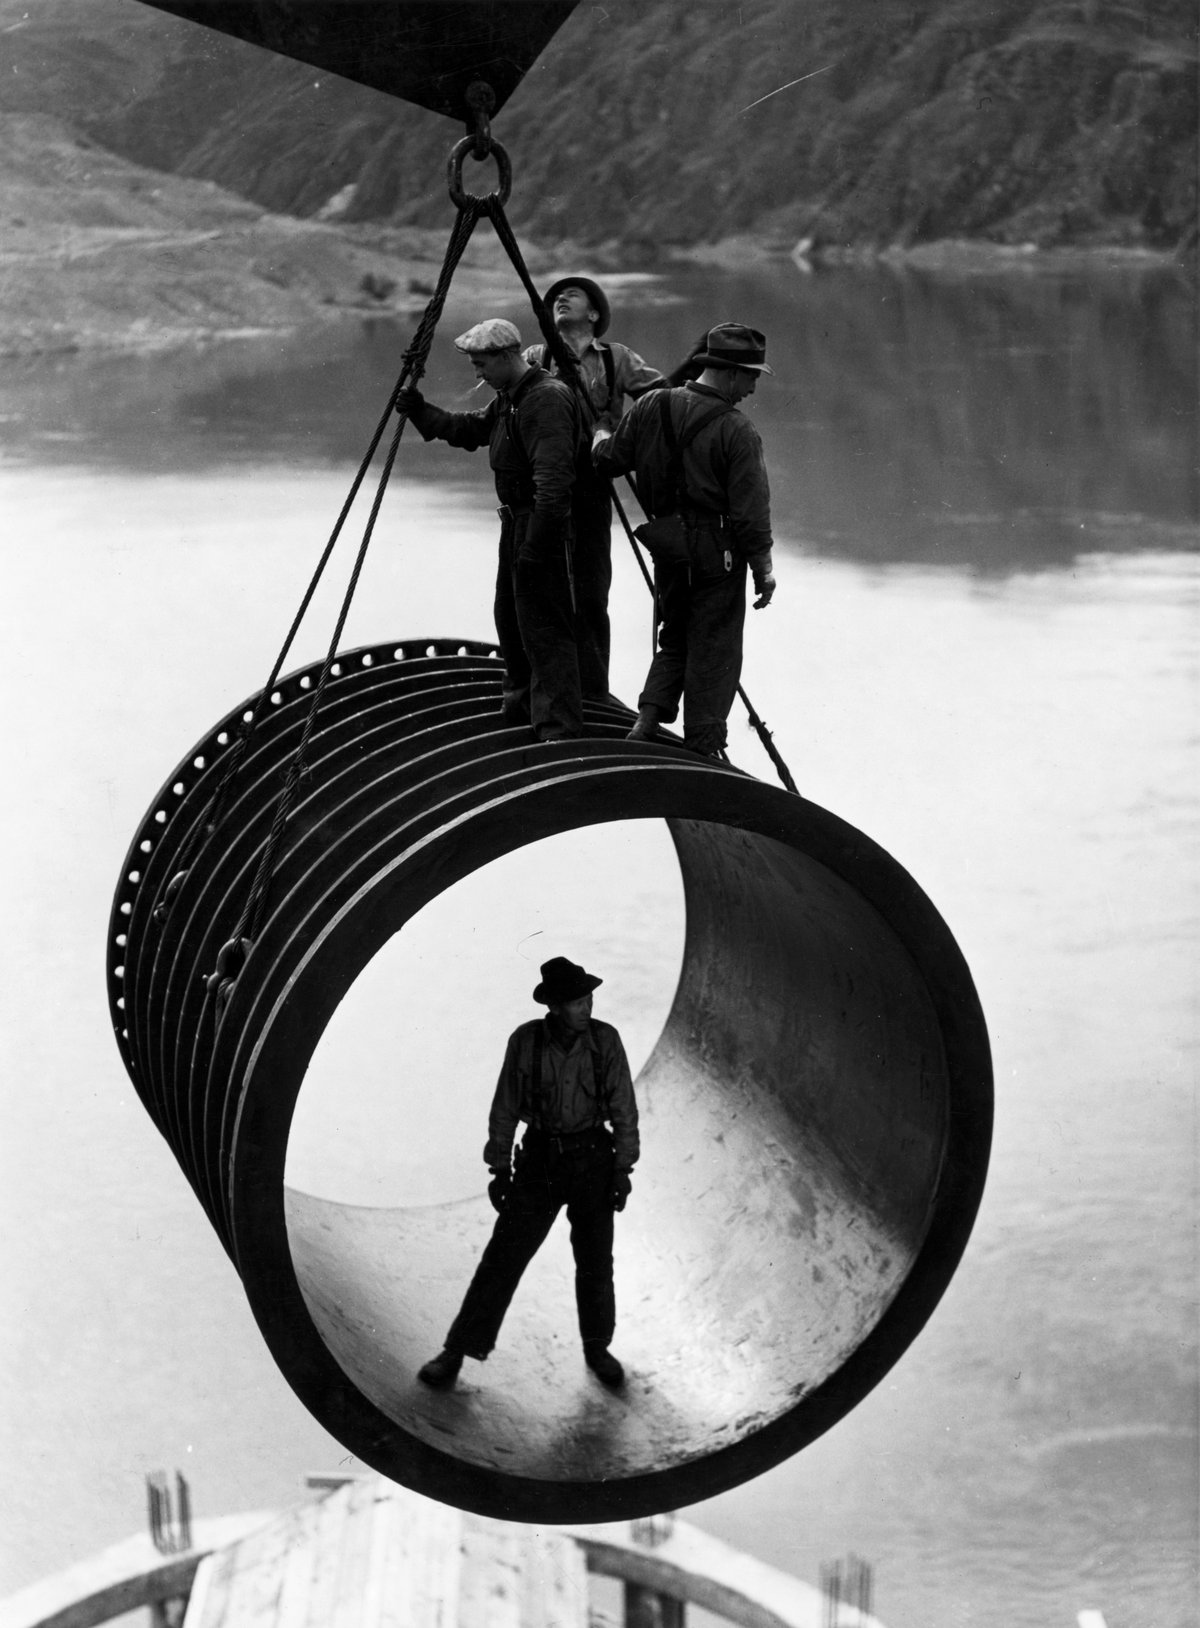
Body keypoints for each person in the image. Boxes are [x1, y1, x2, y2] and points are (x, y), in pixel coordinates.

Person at [417, 956, 639, 1391]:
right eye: (576, 1001)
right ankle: (456, 1352)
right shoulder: (526, 1042)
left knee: (596, 1263)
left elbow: (624, 1110)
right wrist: (499, 1169)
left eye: (589, 997)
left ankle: (597, 1349)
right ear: (554, 1006)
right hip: (541, 1161)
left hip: (593, 1158)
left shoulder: (605, 1041)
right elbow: (504, 1110)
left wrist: (622, 1169)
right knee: (502, 1258)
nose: (586, 1007)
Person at [592, 322, 778, 758]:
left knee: (674, 636)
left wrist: (600, 431)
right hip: (719, 554)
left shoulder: (652, 404)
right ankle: (705, 746)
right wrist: (763, 569)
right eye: (751, 376)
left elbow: (610, 461)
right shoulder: (738, 430)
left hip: (668, 546)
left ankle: (647, 718)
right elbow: (752, 513)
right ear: (730, 373)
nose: (752, 387)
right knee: (715, 649)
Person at [397, 319, 586, 741]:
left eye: (481, 364)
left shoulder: (546, 400)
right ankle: (521, 709)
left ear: (506, 357)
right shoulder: (510, 398)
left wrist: (536, 547)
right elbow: (470, 431)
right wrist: (420, 411)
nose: (477, 373)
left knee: (544, 626)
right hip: (517, 524)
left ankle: (559, 730)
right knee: (512, 618)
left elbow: (554, 485)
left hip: (539, 525)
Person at [524, 276, 665, 699]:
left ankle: (592, 692)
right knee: (540, 592)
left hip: (591, 483)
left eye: (573, 295)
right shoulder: (536, 357)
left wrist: (620, 437)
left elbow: (661, 399)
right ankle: (549, 692)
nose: (561, 299)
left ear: (594, 314)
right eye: (555, 299)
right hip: (543, 483)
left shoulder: (616, 358)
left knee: (590, 589)